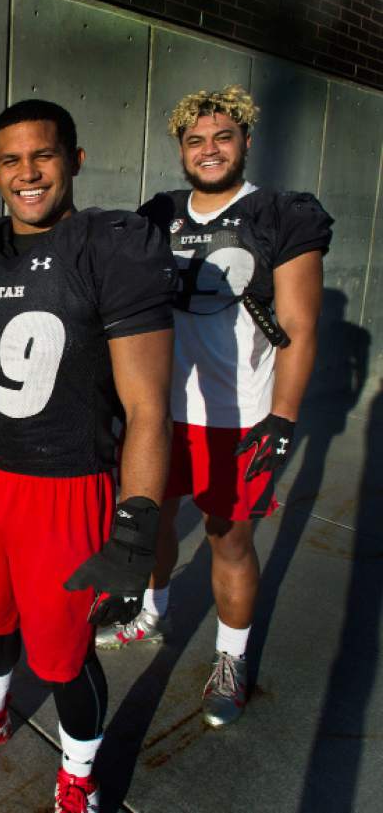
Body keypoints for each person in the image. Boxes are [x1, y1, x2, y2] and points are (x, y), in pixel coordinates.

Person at [0, 99, 176, 813]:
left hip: (67, 484)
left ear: (75, 160)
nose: (29, 172)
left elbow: (147, 404)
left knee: (62, 654)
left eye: (44, 154)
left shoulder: (108, 247)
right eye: (12, 159)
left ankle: (79, 773)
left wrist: (136, 525)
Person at [98, 85, 332, 728]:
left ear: (245, 142)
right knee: (156, 520)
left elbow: (300, 325)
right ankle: (155, 609)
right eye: (196, 140)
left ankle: (231, 657)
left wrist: (282, 417)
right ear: (180, 148)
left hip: (238, 416)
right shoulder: (160, 212)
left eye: (222, 137)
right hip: (158, 412)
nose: (209, 150)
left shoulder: (281, 213)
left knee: (230, 540)